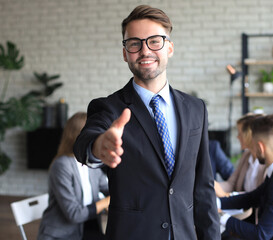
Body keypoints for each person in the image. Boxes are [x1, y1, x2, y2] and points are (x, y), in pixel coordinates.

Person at [73, 5, 220, 240]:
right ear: (125, 53)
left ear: (169, 47)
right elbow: (85, 143)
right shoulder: (108, 108)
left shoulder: (196, 108)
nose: (144, 50)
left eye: (154, 41)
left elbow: (203, 187)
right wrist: (98, 147)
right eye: (134, 43)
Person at [38, 112, 110, 240]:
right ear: (81, 135)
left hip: (87, 228)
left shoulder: (90, 162)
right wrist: (105, 202)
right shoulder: (61, 166)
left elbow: (107, 188)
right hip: (62, 235)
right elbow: (74, 214)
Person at [214, 114, 267, 198]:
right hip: (239, 208)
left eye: (240, 133)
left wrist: (228, 195)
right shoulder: (246, 155)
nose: (238, 137)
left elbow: (259, 196)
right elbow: (231, 184)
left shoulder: (267, 161)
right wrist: (211, 184)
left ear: (249, 134)